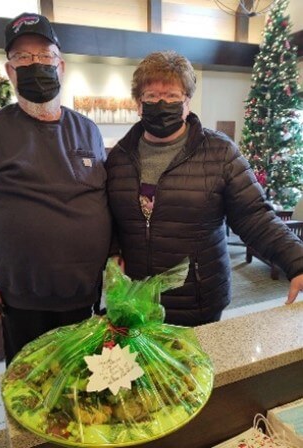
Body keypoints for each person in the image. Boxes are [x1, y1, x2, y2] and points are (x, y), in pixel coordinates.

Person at [0, 12, 111, 363]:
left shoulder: (88, 130)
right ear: (9, 71)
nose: (35, 65)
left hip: (83, 294)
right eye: (23, 57)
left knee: (80, 383)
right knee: (30, 386)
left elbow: (104, 202)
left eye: (44, 56)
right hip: (21, 298)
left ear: (62, 66)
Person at [105, 50, 303, 327]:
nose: (161, 103)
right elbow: (109, 217)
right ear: (138, 103)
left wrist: (297, 260)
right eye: (151, 96)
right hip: (136, 300)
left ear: (187, 102)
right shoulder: (119, 157)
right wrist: (114, 250)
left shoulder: (220, 152)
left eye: (172, 96)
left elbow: (254, 216)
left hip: (198, 299)